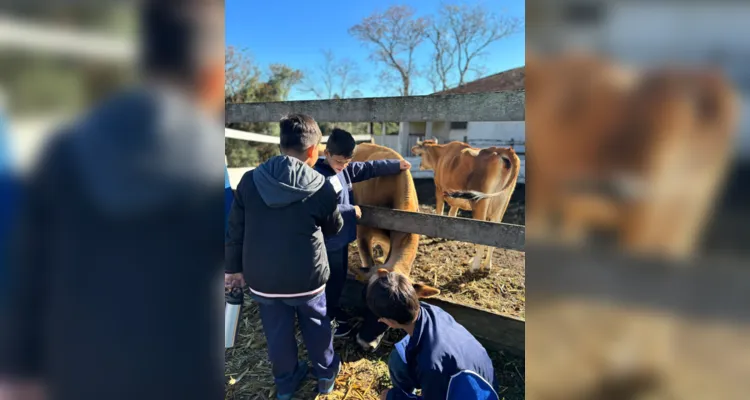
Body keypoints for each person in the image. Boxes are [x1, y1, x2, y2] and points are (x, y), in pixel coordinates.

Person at [0, 2, 226, 400]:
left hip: (80, 367)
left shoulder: (66, 148)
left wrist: (20, 367)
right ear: (207, 77)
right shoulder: (207, 156)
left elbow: (31, 265)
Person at [225, 114, 344, 400]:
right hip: (307, 278)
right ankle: (326, 376)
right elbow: (333, 227)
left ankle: (286, 384)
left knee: (277, 332)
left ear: (281, 145)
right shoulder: (321, 185)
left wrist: (233, 269)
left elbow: (235, 229)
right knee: (316, 326)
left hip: (263, 280)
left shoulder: (250, 181)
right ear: (314, 151)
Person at [314, 128, 410, 337]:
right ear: (326, 153)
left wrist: (395, 165)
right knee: (328, 279)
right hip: (326, 241)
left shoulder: (344, 169)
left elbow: (367, 168)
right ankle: (327, 318)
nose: (343, 167)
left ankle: (333, 310)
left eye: (347, 162)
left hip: (341, 239)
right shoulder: (318, 176)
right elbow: (319, 208)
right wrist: (351, 210)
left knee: (339, 277)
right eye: (339, 161)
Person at [366, 269, 499, 400]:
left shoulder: (431, 364)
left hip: (471, 393)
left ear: (390, 322)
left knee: (388, 396)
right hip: (476, 380)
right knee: (398, 359)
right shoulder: (433, 311)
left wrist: (394, 397)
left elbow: (434, 366)